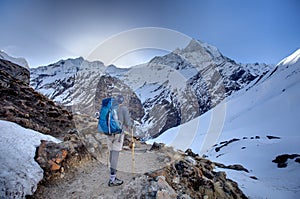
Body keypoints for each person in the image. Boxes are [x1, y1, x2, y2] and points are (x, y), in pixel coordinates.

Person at [106, 94, 132, 187]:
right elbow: (128, 123)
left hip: (109, 135)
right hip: (118, 135)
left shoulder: (110, 108)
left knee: (111, 153)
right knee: (115, 155)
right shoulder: (123, 109)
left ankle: (112, 171)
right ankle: (112, 179)